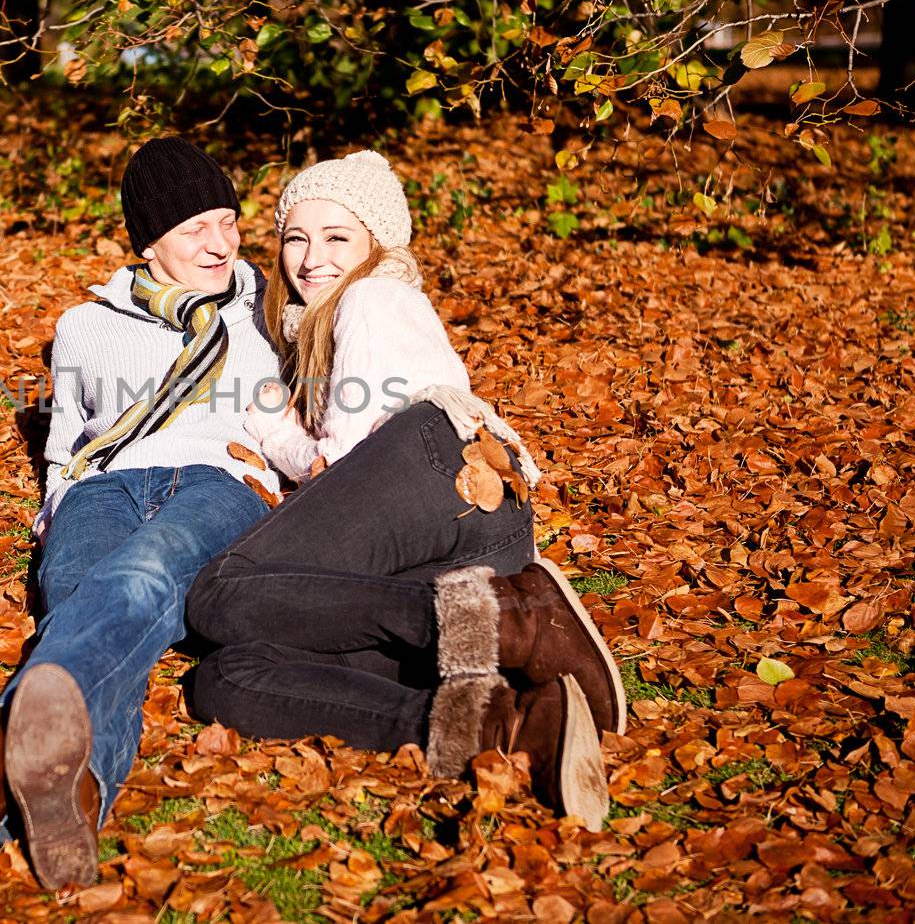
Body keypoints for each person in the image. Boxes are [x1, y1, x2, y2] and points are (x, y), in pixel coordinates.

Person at [184, 151, 624, 831]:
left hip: (438, 462)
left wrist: (275, 431)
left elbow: (338, 461)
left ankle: (522, 615)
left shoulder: (372, 298)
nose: (310, 258)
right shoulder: (322, 329)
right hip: (462, 535)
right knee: (228, 673)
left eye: (338, 237)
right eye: (296, 237)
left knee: (220, 592)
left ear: (376, 244)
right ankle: (508, 723)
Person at [0, 138, 283, 889]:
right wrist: (57, 504)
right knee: (83, 595)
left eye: (229, 220)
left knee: (142, 577)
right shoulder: (84, 325)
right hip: (105, 484)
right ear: (149, 245)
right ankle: (73, 797)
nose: (221, 243)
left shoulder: (269, 311)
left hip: (222, 479)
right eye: (196, 229)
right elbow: (64, 443)